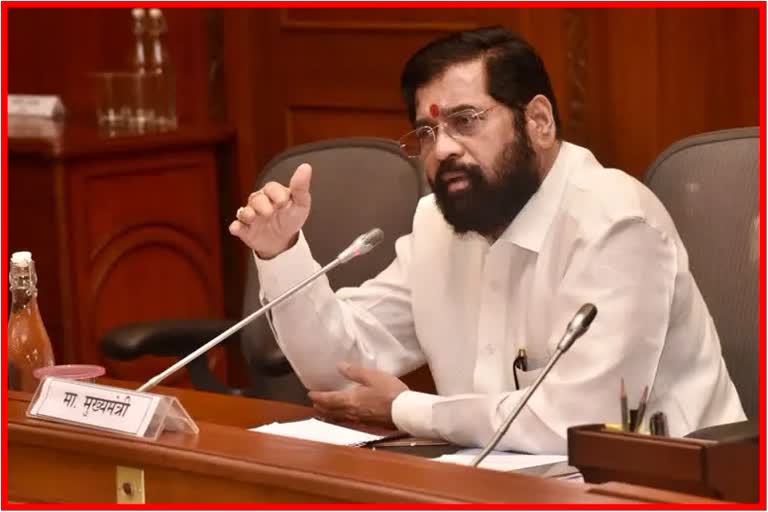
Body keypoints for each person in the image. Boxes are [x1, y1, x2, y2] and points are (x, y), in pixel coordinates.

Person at [229, 26, 745, 454]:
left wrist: (408, 410)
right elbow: (339, 373)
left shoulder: (615, 222)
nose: (443, 148)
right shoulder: (438, 224)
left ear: (538, 121)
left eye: (465, 121)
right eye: (427, 134)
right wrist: (281, 253)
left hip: (659, 491)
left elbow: (583, 424)